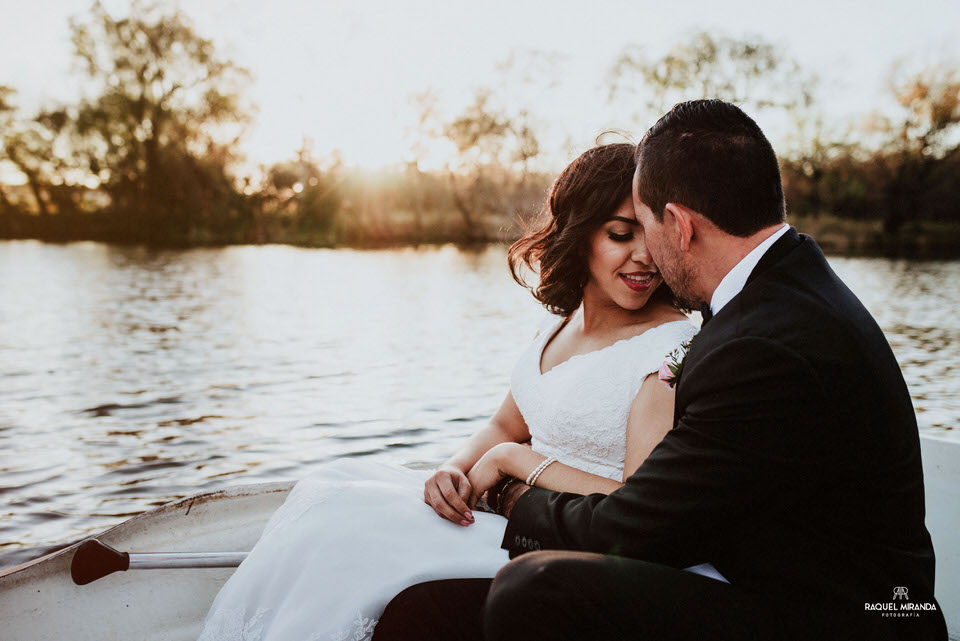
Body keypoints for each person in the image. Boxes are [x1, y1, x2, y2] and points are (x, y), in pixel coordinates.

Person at [374, 100, 947, 641]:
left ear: (680, 223)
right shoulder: (786, 294)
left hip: (846, 618)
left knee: (534, 590)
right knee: (415, 604)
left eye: (645, 227)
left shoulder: (758, 344)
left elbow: (631, 529)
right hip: (802, 583)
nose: (645, 253)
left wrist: (508, 494)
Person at [196, 143, 709, 641]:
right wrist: (454, 469)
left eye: (652, 237)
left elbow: (635, 504)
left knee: (383, 566)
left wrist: (513, 463)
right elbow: (505, 424)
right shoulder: (560, 329)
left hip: (572, 540)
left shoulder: (669, 350)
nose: (644, 258)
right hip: (501, 506)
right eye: (621, 235)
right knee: (331, 501)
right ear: (578, 235)